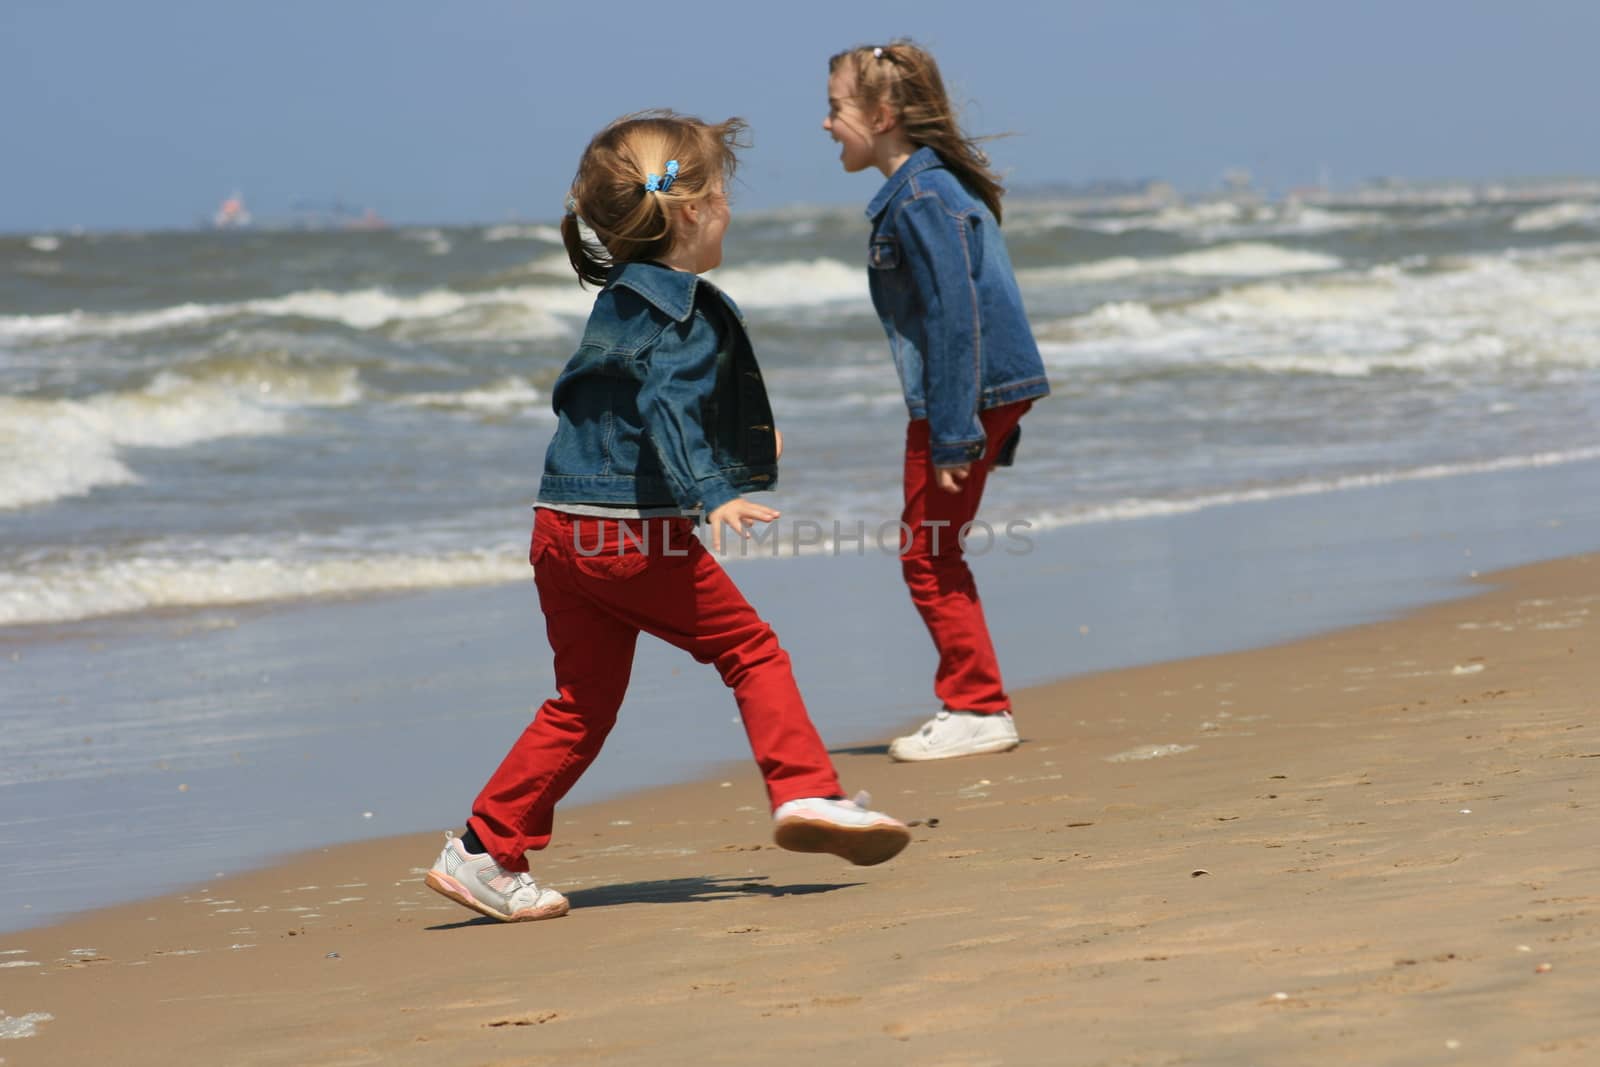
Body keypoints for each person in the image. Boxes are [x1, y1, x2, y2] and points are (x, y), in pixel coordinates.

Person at [426, 111, 911, 923]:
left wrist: (724, 450)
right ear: (693, 210)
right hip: (628, 533)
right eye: (723, 193)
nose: (729, 208)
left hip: (560, 528)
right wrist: (710, 490)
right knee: (751, 649)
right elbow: (663, 402)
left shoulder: (619, 298)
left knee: (581, 702)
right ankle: (806, 791)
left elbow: (627, 403)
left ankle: (483, 846)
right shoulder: (684, 309)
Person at [823, 42, 1051, 762]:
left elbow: (958, 315)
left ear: (882, 115)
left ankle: (978, 706)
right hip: (982, 392)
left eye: (836, 109)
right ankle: (976, 700)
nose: (826, 124)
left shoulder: (920, 198)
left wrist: (956, 432)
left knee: (927, 553)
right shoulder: (933, 188)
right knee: (933, 548)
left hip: (963, 397)